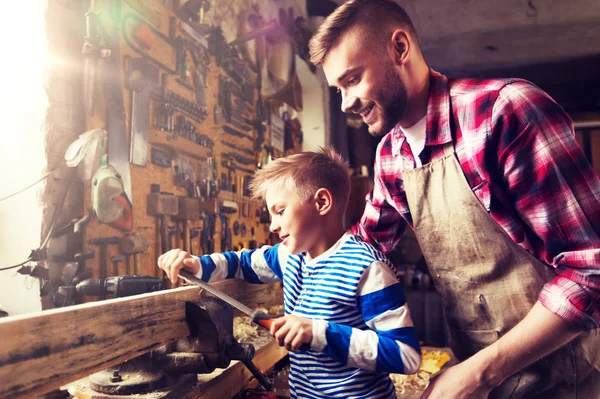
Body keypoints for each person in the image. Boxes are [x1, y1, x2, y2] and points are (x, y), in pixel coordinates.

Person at [308, 1, 600, 398]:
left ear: (399, 47)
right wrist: (280, 252)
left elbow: (590, 272)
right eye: (337, 89)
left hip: (566, 379)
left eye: (353, 79)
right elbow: (366, 247)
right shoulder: (391, 155)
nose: (345, 103)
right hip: (482, 380)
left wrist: (479, 374)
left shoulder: (504, 111)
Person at [158, 148, 421, 399]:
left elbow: (406, 355)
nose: (273, 225)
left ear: (321, 202)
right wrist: (196, 265)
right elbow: (242, 263)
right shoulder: (289, 255)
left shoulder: (367, 267)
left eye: (280, 211)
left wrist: (318, 333)